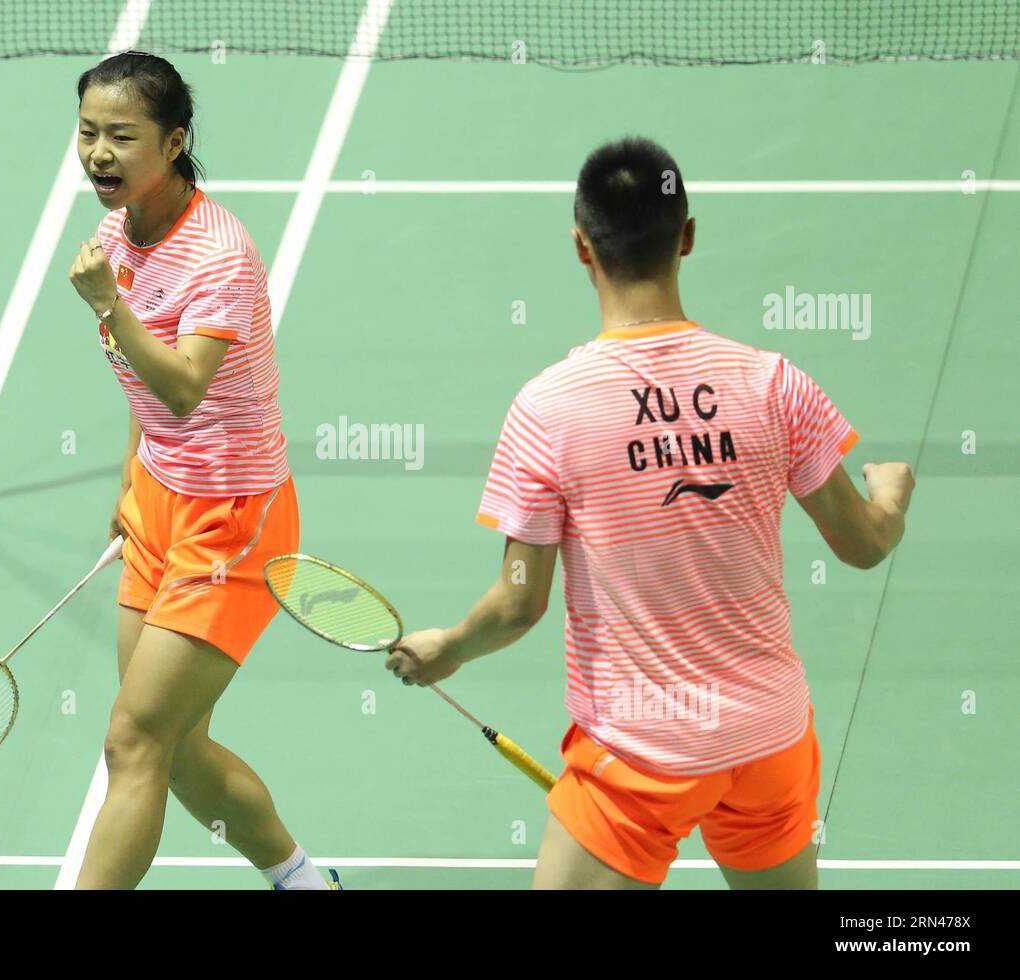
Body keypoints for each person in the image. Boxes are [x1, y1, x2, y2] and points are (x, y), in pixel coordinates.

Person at [385, 136, 915, 890]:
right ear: (688, 236)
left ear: (581, 248)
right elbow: (863, 544)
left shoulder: (549, 409)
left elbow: (519, 602)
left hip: (639, 755)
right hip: (769, 738)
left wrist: (450, 648)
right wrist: (891, 492)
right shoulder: (774, 385)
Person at [67, 51, 336, 890]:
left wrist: (109, 301)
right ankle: (302, 879)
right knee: (173, 747)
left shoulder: (217, 252)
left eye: (122, 136)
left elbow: (184, 385)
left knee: (131, 740)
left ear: (175, 141)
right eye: (86, 132)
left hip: (234, 517)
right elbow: (143, 395)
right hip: (159, 500)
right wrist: (128, 477)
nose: (98, 153)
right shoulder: (118, 235)